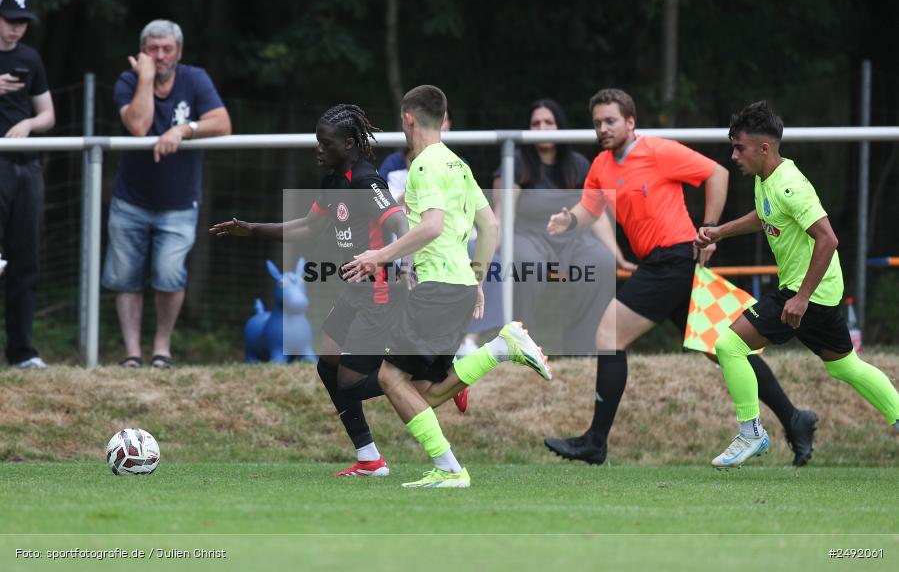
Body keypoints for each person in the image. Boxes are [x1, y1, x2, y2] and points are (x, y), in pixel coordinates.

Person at [543, 88, 817, 467]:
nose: (603, 129)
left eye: (610, 121)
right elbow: (590, 208)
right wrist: (569, 219)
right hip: (664, 264)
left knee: (608, 336)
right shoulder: (602, 165)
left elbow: (716, 173)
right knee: (721, 347)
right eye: (597, 123)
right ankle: (795, 419)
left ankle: (595, 442)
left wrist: (709, 229)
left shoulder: (657, 151)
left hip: (671, 259)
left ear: (630, 122)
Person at [344, 85, 551, 488]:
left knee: (389, 378)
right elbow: (490, 226)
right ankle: (499, 350)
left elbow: (432, 226)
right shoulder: (458, 165)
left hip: (437, 289)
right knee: (425, 392)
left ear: (408, 119)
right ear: (442, 118)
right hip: (457, 288)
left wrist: (380, 256)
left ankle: (451, 469)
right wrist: (477, 279)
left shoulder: (423, 166)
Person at [212, 104, 417, 477]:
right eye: (317, 142)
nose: (319, 149)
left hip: (379, 291)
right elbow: (308, 227)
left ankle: (425, 376)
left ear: (349, 143)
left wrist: (405, 264)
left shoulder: (366, 181)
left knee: (350, 381)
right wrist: (253, 229)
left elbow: (399, 223)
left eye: (326, 143)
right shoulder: (334, 182)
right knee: (328, 365)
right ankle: (369, 458)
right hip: (354, 291)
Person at [695, 101, 899, 469]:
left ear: (764, 148)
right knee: (845, 367)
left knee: (729, 345)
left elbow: (828, 239)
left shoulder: (790, 186)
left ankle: (751, 433)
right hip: (820, 290)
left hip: (808, 293)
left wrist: (802, 297)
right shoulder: (766, 179)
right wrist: (720, 232)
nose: (734, 156)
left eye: (739, 148)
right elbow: (764, 215)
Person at [103, 19, 231, 369]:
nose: (160, 56)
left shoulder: (195, 78)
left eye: (167, 49)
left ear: (179, 52)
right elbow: (139, 125)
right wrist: (145, 78)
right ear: (142, 51)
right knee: (125, 277)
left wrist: (184, 129)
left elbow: (223, 122)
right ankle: (132, 354)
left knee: (170, 274)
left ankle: (162, 349)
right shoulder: (128, 81)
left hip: (179, 202)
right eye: (153, 49)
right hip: (130, 199)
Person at [489, 98, 619, 354]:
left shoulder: (578, 164)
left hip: (574, 240)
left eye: (549, 122)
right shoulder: (515, 162)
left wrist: (618, 257)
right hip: (528, 239)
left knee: (603, 262)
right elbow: (502, 215)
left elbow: (597, 214)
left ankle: (582, 349)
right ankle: (521, 346)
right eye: (535, 123)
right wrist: (487, 253)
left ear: (560, 126)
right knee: (527, 264)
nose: (542, 128)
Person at [0, 0, 55, 369]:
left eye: (22, 22)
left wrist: (29, 125)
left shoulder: (31, 58)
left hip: (27, 168)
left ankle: (22, 353)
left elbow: (48, 114)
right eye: (10, 20)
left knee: (25, 262)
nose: (16, 28)